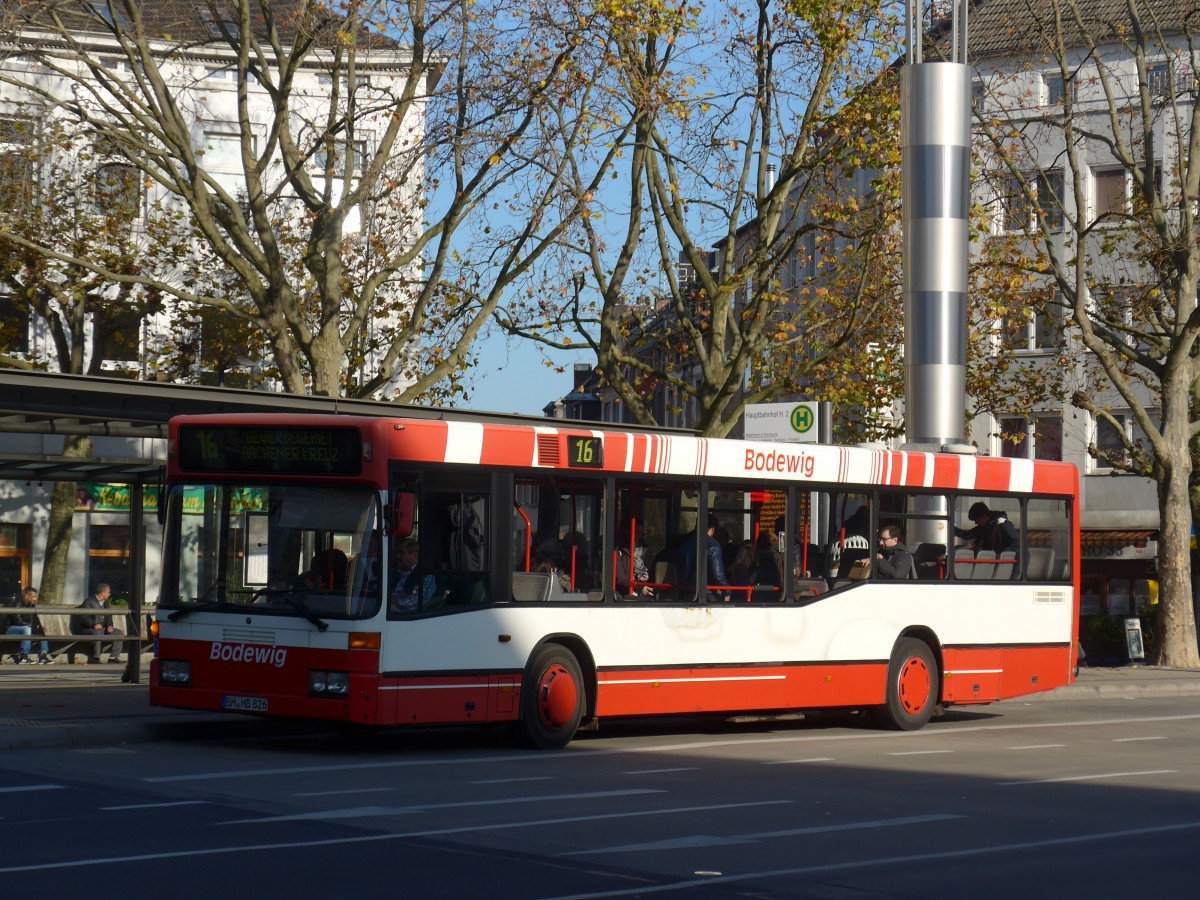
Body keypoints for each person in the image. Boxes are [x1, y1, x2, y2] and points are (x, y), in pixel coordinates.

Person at [676, 514, 730, 601]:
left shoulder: (686, 545)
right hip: (706, 596)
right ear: (712, 529)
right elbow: (717, 575)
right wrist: (727, 591)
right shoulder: (713, 546)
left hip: (685, 595)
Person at [74, 583, 123, 664]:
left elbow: (108, 617)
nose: (109, 594)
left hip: (102, 628)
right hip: (88, 629)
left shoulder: (106, 604)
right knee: (97, 633)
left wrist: (110, 626)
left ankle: (113, 657)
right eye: (108, 592)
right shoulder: (88, 602)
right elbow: (84, 617)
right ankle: (96, 657)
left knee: (119, 633)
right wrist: (94, 624)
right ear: (102, 593)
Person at [4, 586, 51, 665]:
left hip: (25, 628)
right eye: (33, 597)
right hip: (9, 629)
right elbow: (17, 621)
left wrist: (39, 627)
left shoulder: (31, 605)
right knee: (27, 629)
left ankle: (43, 656)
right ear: (26, 596)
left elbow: (35, 620)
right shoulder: (16, 604)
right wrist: (31, 627)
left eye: (36, 597)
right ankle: (23, 657)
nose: (35, 599)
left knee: (41, 630)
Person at [390, 538, 438, 611]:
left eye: (402, 553)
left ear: (415, 555)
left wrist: (393, 602)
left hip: (407, 615)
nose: (398, 556)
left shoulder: (426, 575)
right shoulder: (396, 570)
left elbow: (417, 601)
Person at [955, 502, 1019, 554]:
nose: (976, 523)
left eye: (976, 520)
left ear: (984, 517)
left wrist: (1003, 553)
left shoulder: (1003, 525)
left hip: (1010, 560)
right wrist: (952, 529)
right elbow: (967, 535)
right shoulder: (983, 527)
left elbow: (1016, 542)